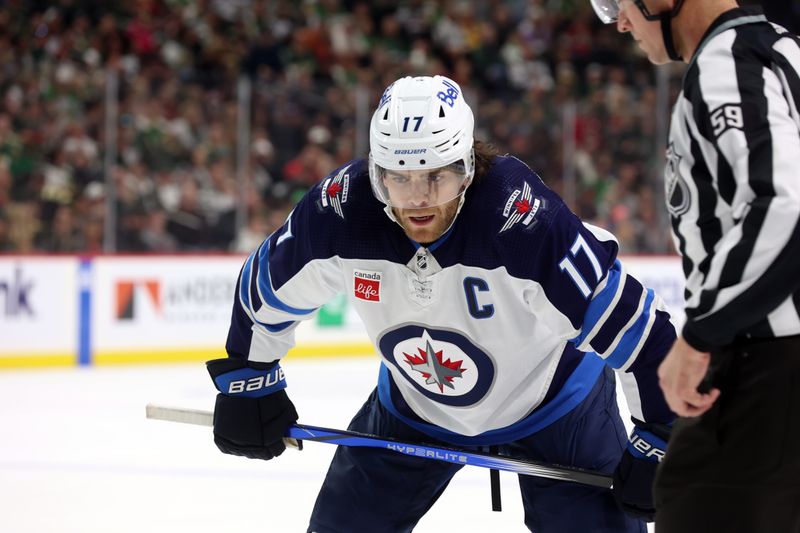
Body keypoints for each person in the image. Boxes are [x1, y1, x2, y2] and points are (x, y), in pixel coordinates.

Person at [206, 75, 677, 532]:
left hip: (557, 406)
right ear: (376, 172)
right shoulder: (343, 211)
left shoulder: (521, 220)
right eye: (398, 178)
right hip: (415, 407)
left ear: (468, 166)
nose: (417, 200)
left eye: (438, 177)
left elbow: (640, 329)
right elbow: (265, 288)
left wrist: (662, 435)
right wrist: (250, 379)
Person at [590, 1, 800, 531]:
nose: (618, 22)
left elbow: (781, 205)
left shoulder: (730, 63)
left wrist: (701, 337)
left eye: (620, 4)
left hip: (765, 370)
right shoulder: (780, 50)